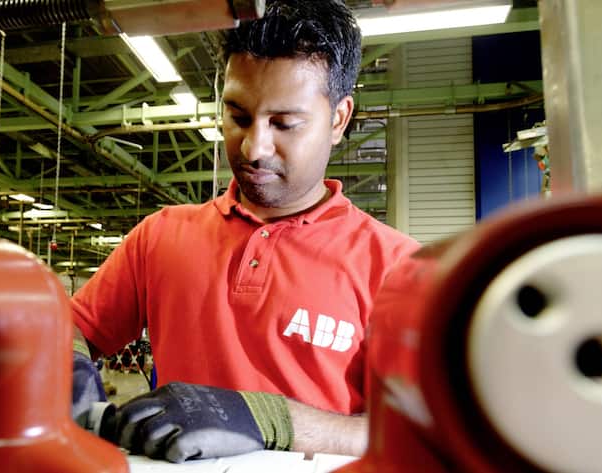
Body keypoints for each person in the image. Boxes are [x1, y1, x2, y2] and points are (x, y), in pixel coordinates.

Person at [71, 0, 420, 463]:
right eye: (237, 117)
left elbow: (417, 429)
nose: (254, 148)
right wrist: (65, 361)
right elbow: (70, 328)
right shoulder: (160, 237)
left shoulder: (397, 267)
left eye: (284, 124)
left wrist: (272, 420)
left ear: (339, 119)